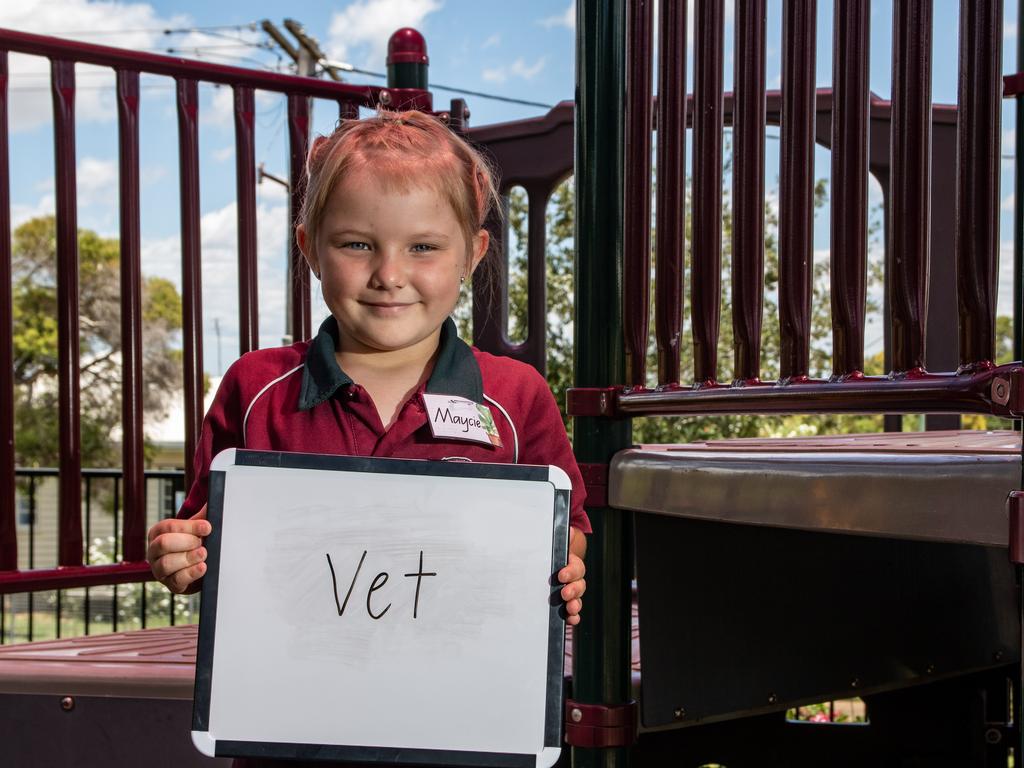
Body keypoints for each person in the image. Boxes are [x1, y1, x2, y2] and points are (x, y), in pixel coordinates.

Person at [147, 110, 588, 626]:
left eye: (423, 247)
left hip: (463, 695)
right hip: (288, 697)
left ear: (471, 254)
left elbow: (570, 528)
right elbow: (201, 540)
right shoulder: (254, 388)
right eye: (357, 244)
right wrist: (177, 555)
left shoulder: (517, 396)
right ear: (310, 247)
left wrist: (566, 562)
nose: (389, 274)